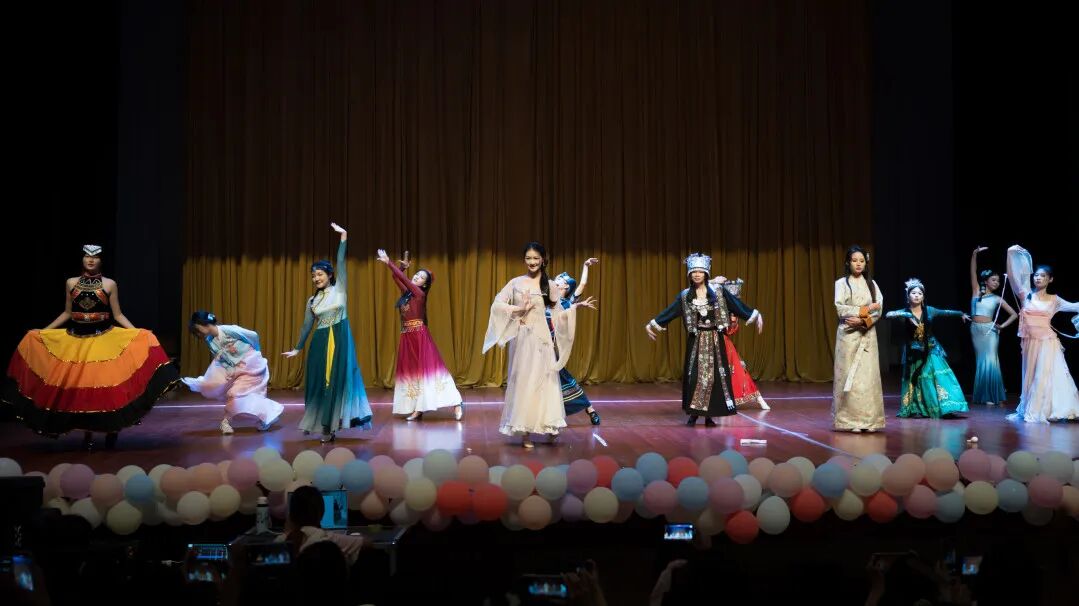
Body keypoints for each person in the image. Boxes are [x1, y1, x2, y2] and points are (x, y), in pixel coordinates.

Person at [4, 244, 178, 450]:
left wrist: (137, 333)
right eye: (87, 256)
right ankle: (88, 434)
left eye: (95, 257)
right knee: (82, 391)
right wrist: (43, 332)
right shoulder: (71, 283)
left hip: (103, 340)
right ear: (82, 259)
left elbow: (118, 314)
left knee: (105, 387)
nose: (90, 260)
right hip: (76, 341)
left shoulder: (109, 284)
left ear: (100, 261)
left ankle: (111, 430)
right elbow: (67, 313)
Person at [482, 242, 595, 448]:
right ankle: (525, 431)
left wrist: (574, 309)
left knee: (545, 383)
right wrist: (518, 308)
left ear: (543, 259)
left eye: (535, 258)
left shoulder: (550, 285)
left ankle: (549, 424)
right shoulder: (516, 282)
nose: (532, 262)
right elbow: (497, 304)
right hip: (522, 340)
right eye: (528, 258)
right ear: (524, 260)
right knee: (524, 383)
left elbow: (558, 314)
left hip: (543, 341)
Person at [645, 253, 763, 426]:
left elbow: (736, 305)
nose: (697, 274)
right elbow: (670, 311)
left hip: (715, 340)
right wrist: (652, 324)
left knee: (714, 378)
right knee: (695, 378)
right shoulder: (685, 296)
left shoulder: (718, 292)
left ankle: (709, 416)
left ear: (706, 273)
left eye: (700, 271)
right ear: (690, 274)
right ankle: (694, 413)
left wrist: (754, 314)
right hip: (696, 341)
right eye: (694, 271)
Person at [282, 223, 373, 442]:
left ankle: (329, 427)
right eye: (313, 275)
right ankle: (319, 423)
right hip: (320, 343)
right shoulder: (312, 301)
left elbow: (341, 262)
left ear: (330, 275)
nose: (316, 278)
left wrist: (343, 238)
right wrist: (297, 348)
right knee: (318, 384)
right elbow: (306, 326)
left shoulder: (339, 289)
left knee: (334, 381)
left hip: (338, 340)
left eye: (320, 274)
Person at [376, 248, 463, 421]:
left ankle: (456, 403)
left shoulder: (419, 293)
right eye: (416, 274)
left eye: (421, 277)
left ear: (424, 284)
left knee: (430, 370)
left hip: (419, 336)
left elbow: (402, 279)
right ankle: (418, 408)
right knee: (413, 372)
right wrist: (401, 268)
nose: (416, 277)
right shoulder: (407, 294)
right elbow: (397, 278)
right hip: (407, 336)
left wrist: (389, 262)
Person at [1005, 245, 1079, 422]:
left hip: (1048, 343)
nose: (1038, 278)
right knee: (1032, 377)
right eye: (1037, 275)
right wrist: (1010, 253)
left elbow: (1075, 306)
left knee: (1046, 376)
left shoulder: (1055, 300)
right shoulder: (1025, 295)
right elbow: (1013, 277)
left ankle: (1053, 410)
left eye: (1043, 276)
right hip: (1031, 344)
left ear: (1050, 279)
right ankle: (1041, 409)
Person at [182, 311, 283, 434]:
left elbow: (253, 335)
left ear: (204, 324)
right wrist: (229, 370)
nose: (198, 333)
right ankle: (268, 416)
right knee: (237, 395)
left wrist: (255, 352)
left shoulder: (228, 330)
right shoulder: (210, 341)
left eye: (197, 329)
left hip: (251, 364)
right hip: (237, 368)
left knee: (236, 393)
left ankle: (227, 422)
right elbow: (221, 358)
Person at [885, 279, 971, 418]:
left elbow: (947, 312)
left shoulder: (930, 310)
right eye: (913, 293)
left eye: (920, 293)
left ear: (923, 297)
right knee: (920, 380)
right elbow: (888, 314)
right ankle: (923, 408)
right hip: (914, 351)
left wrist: (961, 313)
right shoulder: (905, 311)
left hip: (932, 349)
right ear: (908, 296)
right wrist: (907, 315)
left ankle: (947, 407)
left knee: (941, 376)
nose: (917, 295)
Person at [831, 245, 884, 432]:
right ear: (848, 262)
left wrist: (863, 320)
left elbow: (879, 308)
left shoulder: (872, 284)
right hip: (848, 335)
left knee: (868, 377)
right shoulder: (841, 284)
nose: (858, 264)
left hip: (867, 334)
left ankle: (870, 421)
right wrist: (864, 309)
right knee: (849, 377)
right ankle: (850, 421)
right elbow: (840, 308)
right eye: (854, 260)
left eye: (862, 261)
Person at [550, 257, 601, 424]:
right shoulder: (548, 300)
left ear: (566, 286)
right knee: (553, 378)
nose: (555, 280)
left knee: (562, 376)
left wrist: (585, 266)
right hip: (542, 343)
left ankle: (589, 407)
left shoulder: (568, 302)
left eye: (559, 279)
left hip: (554, 346)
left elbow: (582, 285)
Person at [968, 246, 1017, 405]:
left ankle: (991, 395)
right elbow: (973, 272)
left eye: (998, 280)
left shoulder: (997, 298)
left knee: (990, 361)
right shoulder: (976, 291)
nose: (997, 283)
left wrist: (1002, 326)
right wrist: (974, 255)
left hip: (990, 332)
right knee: (980, 362)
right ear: (986, 281)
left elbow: (1014, 314)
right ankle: (983, 395)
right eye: (994, 280)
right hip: (976, 330)